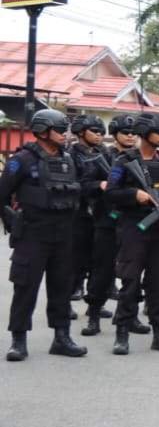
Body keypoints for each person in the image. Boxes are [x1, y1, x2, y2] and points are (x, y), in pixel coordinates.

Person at [2, 109, 87, 361]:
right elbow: (2, 195)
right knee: (25, 288)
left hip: (63, 235)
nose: (64, 134)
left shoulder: (68, 160)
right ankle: (18, 341)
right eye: (59, 130)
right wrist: (12, 221)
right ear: (42, 131)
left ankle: (62, 338)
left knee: (62, 288)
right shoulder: (22, 160)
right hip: (33, 235)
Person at [102, 112, 159, 356]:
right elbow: (111, 193)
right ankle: (122, 333)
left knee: (158, 283)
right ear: (145, 133)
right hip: (133, 228)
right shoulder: (124, 161)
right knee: (130, 282)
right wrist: (134, 195)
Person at [82, 114, 139, 334]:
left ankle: (130, 316)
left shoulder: (140, 159)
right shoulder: (101, 157)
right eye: (126, 132)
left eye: (134, 133)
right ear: (115, 134)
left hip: (133, 222)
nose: (130, 136)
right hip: (107, 221)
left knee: (133, 273)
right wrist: (101, 184)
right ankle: (94, 315)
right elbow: (84, 185)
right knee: (102, 271)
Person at [67, 114, 108, 304]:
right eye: (95, 131)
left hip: (100, 212)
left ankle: (95, 301)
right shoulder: (70, 154)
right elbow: (72, 184)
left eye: (101, 132)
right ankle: (75, 287)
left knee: (98, 258)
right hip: (78, 212)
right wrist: (98, 185)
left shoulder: (104, 153)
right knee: (76, 255)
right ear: (81, 132)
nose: (99, 135)